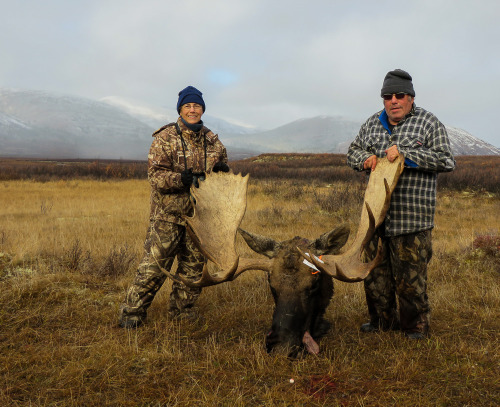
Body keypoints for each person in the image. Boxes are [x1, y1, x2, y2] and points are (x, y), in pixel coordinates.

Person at [347, 69, 455, 339]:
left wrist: (407, 155)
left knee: (410, 281)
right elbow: (353, 151)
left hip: (412, 219)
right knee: (375, 276)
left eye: (399, 95)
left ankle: (415, 327)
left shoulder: (429, 123)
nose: (393, 101)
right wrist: (364, 159)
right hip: (375, 219)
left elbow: (446, 160)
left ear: (411, 97)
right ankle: (381, 322)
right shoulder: (372, 124)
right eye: (387, 96)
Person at [118, 86, 230, 328]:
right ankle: (132, 314)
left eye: (197, 106)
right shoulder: (165, 138)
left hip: (200, 218)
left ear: (202, 109)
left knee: (193, 269)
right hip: (168, 217)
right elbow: (155, 177)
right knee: (154, 268)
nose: (192, 110)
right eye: (188, 106)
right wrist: (182, 180)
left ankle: (182, 314)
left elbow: (222, 173)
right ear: (180, 109)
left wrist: (223, 172)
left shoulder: (213, 141)